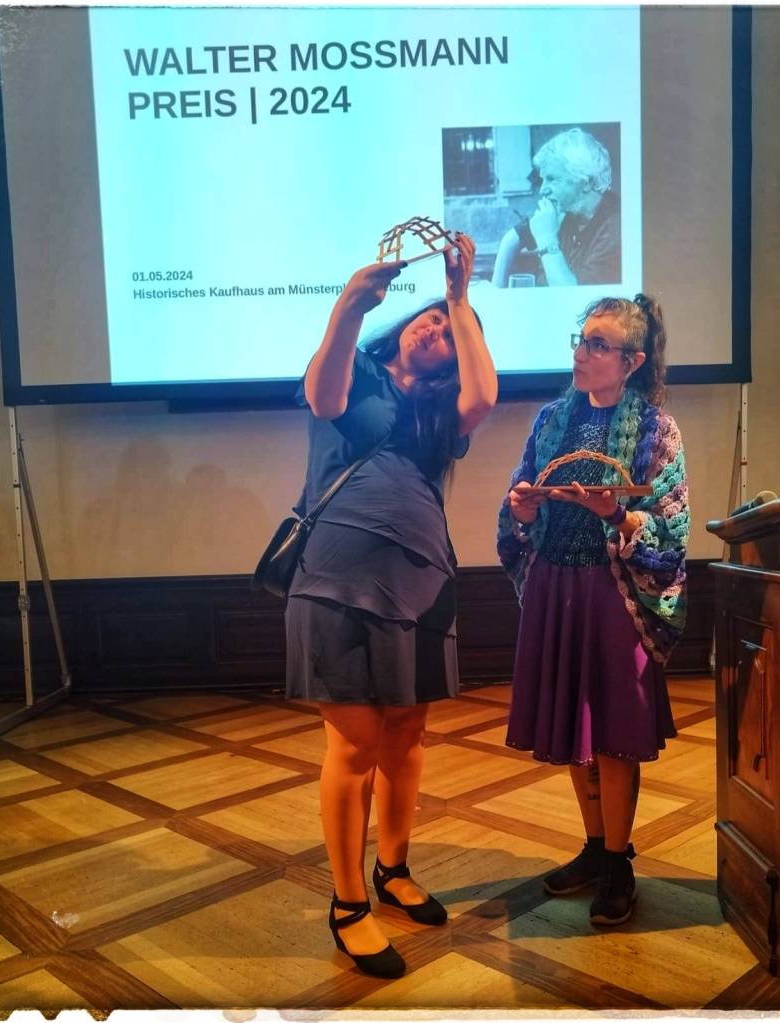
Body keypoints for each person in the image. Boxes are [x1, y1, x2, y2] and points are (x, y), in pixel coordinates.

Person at [286, 233, 497, 979]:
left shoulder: (444, 410)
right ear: (402, 322)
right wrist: (351, 302)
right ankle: (348, 906)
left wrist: (461, 298)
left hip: (422, 582)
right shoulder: (359, 373)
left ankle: (394, 868)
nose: (434, 328)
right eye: (430, 317)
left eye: (448, 329)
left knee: (406, 736)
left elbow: (483, 396)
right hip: (337, 579)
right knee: (353, 747)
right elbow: (323, 396)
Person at [496, 294, 687, 927]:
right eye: (581, 340)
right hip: (557, 586)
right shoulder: (551, 420)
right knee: (576, 727)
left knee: (614, 733)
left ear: (632, 361)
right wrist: (521, 508)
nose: (582, 353)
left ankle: (618, 862)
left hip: (615, 595)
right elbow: (519, 502)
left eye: (598, 344)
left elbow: (671, 526)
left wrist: (616, 514)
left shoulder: (657, 430)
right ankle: (594, 845)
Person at [492, 127, 621, 288]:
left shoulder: (618, 228)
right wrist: (495, 291)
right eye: (543, 180)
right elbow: (511, 239)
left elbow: (572, 298)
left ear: (586, 183)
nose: (542, 190)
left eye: (552, 179)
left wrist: (547, 239)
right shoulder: (567, 212)